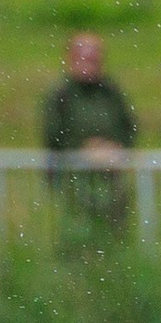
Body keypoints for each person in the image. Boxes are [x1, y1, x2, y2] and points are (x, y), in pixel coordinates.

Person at [42, 31, 137, 237]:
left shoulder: (111, 92)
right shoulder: (61, 95)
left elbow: (129, 126)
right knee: (77, 235)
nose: (89, 63)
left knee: (115, 236)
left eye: (94, 58)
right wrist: (84, 152)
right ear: (70, 59)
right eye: (83, 58)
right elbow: (53, 136)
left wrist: (117, 149)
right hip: (74, 183)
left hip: (112, 183)